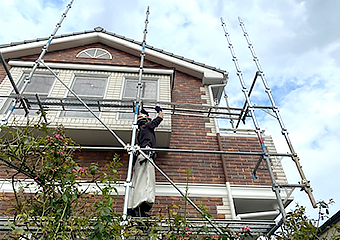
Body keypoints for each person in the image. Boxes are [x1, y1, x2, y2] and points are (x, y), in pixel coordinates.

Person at [127, 106, 163, 217]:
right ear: (146, 121)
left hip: (140, 157)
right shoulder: (147, 127)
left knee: (139, 182)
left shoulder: (140, 132)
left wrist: (144, 112)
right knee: (147, 182)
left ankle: (133, 209)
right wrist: (159, 111)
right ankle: (140, 207)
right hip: (146, 156)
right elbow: (160, 118)